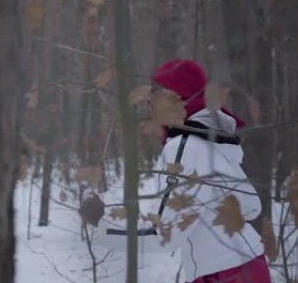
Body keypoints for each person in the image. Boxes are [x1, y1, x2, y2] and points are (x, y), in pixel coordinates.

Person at [100, 59, 272, 283]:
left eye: (155, 90)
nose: (148, 100)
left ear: (178, 96)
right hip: (247, 266)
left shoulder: (184, 147)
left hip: (224, 275)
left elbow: (165, 234)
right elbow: (251, 207)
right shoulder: (211, 143)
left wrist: (102, 226)